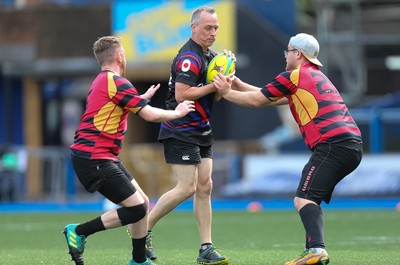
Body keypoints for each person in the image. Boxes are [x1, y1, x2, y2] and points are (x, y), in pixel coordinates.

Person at [214, 33, 363, 265]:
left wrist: (224, 92)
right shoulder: (316, 76)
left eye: (288, 51)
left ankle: (316, 250)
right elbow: (271, 97)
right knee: (309, 199)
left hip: (333, 144)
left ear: (298, 54)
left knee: (303, 199)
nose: (286, 55)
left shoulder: (294, 75)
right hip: (351, 145)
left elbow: (257, 101)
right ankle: (313, 250)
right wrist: (239, 85)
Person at [62, 35, 195, 265]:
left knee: (142, 203)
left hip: (100, 156)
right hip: (94, 157)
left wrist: (139, 98)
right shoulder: (118, 82)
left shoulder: (102, 81)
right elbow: (149, 115)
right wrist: (178, 112)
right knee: (137, 208)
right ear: (120, 56)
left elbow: (111, 107)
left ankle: (139, 260)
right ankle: (80, 231)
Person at [145, 5, 230, 265]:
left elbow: (214, 94)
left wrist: (223, 80)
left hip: (201, 128)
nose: (212, 32)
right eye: (207, 28)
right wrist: (211, 86)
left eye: (215, 28)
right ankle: (142, 230)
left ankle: (206, 247)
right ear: (194, 28)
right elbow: (182, 94)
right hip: (180, 129)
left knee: (205, 187)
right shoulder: (189, 58)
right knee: (186, 188)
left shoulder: (210, 56)